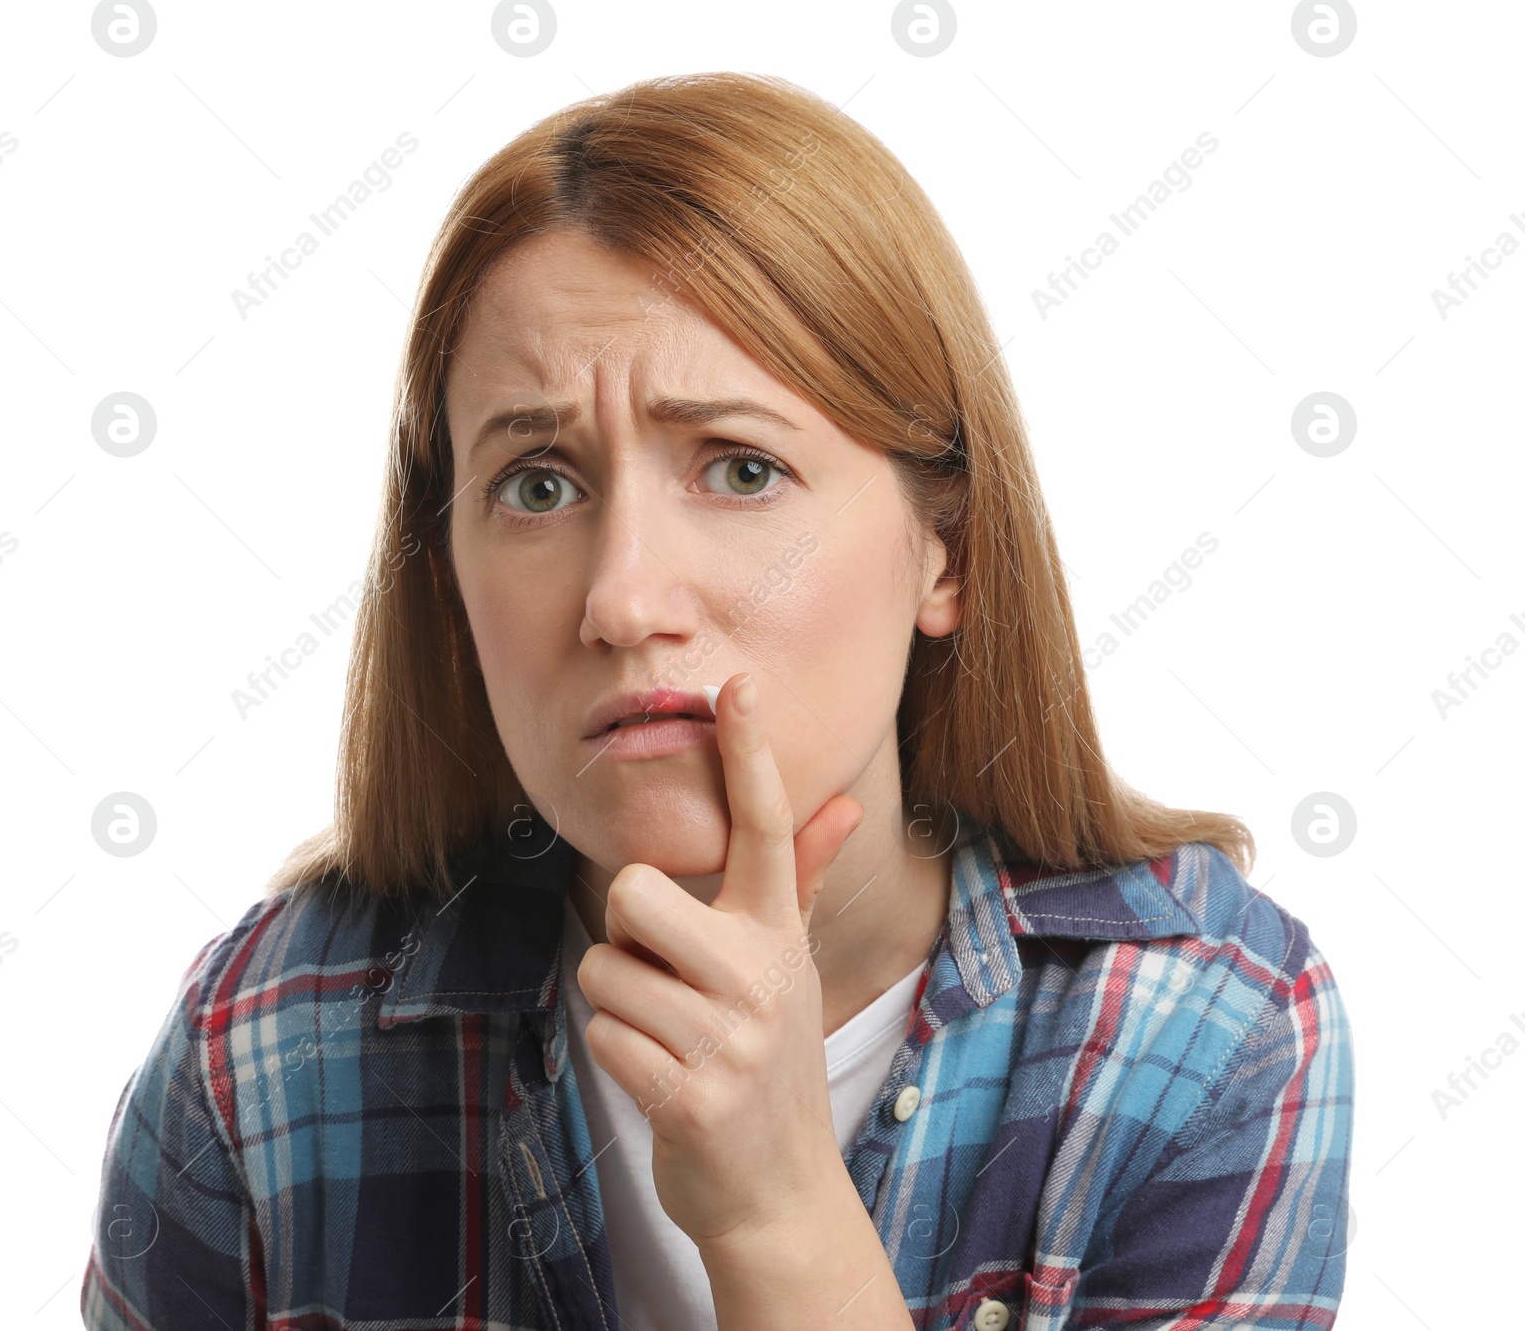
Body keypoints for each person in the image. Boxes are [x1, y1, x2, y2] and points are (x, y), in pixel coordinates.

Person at [80, 71, 1354, 1331]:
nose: (625, 598)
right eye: (535, 485)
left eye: (741, 468)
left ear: (943, 552)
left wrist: (779, 1210)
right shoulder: (266, 1042)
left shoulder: (1206, 1029)